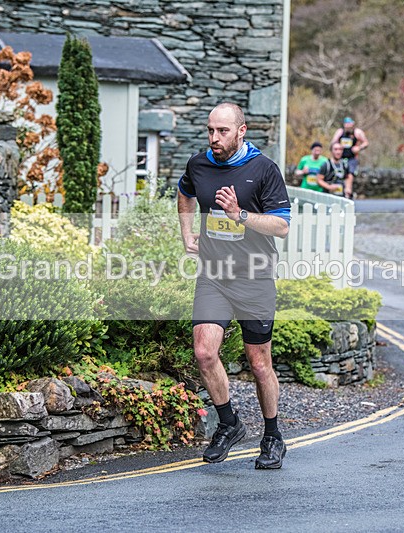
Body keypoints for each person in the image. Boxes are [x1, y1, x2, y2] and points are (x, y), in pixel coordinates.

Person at [177, 103, 291, 469]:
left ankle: (272, 435)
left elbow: (282, 225)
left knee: (259, 364)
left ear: (241, 131)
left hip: (254, 278)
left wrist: (238, 215)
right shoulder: (199, 163)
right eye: (210, 130)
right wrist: (185, 235)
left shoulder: (263, 169)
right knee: (204, 353)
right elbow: (185, 193)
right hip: (213, 275)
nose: (214, 138)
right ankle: (229, 424)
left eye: (222, 131)